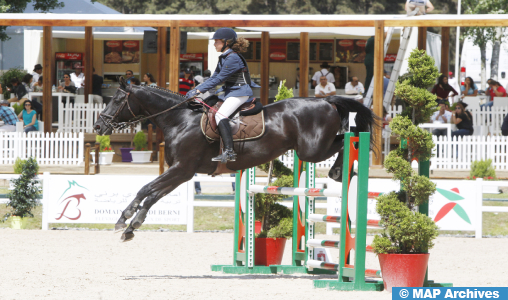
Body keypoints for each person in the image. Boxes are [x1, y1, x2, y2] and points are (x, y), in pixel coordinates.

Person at [186, 27, 259, 163]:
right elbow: (213, 77)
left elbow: (218, 80)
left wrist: (197, 91)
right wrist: (197, 89)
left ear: (227, 42)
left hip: (239, 92)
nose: (214, 44)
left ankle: (230, 152)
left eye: (217, 41)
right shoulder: (225, 57)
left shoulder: (233, 58)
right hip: (231, 92)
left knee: (220, 115)